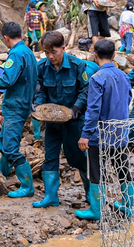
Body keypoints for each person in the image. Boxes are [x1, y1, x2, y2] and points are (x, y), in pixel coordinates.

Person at [31, 32, 92, 209]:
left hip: (73, 122)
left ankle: (90, 194)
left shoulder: (77, 66)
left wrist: (77, 106)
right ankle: (51, 196)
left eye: (54, 52)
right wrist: (39, 105)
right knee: (50, 157)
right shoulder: (42, 66)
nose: (50, 56)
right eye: (46, 52)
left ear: (63, 49)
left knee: (78, 158)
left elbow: (86, 89)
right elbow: (41, 88)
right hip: (51, 122)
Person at [77, 38, 133, 221]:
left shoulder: (97, 78)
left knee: (96, 171)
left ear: (95, 56)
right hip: (120, 134)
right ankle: (127, 206)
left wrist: (85, 135)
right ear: (114, 55)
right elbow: (128, 99)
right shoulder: (124, 76)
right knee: (122, 168)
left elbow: (93, 109)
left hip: (100, 136)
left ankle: (96, 210)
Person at [0, 22, 38, 198]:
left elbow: (6, 80)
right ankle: (2, 175)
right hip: (21, 104)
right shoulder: (28, 52)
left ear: (6, 38)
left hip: (16, 107)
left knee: (10, 147)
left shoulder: (16, 54)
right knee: (3, 142)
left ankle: (27, 186)